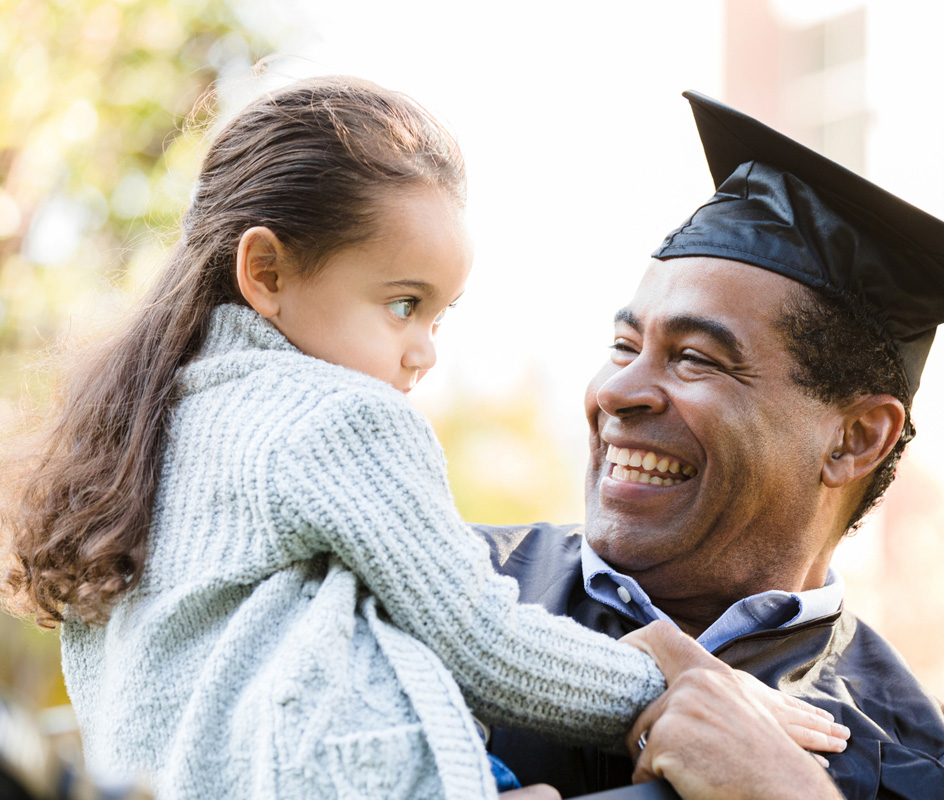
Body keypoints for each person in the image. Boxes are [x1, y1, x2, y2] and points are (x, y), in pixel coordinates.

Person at [0, 79, 847, 800]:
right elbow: (486, 644)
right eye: (403, 304)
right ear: (265, 273)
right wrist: (689, 688)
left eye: (440, 316)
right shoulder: (341, 417)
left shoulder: (138, 440)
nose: (425, 352)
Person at [480, 92, 944, 799]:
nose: (618, 390)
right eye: (624, 345)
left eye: (695, 357)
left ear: (854, 437)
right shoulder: (433, 591)